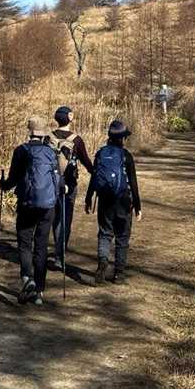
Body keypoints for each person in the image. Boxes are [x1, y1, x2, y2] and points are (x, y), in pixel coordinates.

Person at [0, 115, 61, 305]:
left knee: (25, 243)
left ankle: (27, 279)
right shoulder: (51, 152)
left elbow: (13, 178)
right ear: (43, 133)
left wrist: (3, 185)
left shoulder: (21, 151)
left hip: (26, 204)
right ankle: (39, 292)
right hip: (48, 206)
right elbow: (58, 179)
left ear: (29, 131)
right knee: (41, 247)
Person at [84, 119, 142, 285]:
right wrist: (137, 206)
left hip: (105, 200)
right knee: (122, 237)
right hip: (123, 201)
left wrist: (88, 197)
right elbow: (133, 182)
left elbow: (95, 177)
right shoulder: (126, 156)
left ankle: (102, 262)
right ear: (123, 138)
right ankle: (119, 274)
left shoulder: (100, 154)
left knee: (105, 233)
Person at [49, 106, 94, 270]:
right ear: (69, 117)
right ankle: (60, 256)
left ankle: (57, 252)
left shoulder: (48, 137)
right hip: (70, 183)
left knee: (55, 218)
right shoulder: (76, 140)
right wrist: (95, 173)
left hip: (51, 183)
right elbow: (86, 161)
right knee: (65, 219)